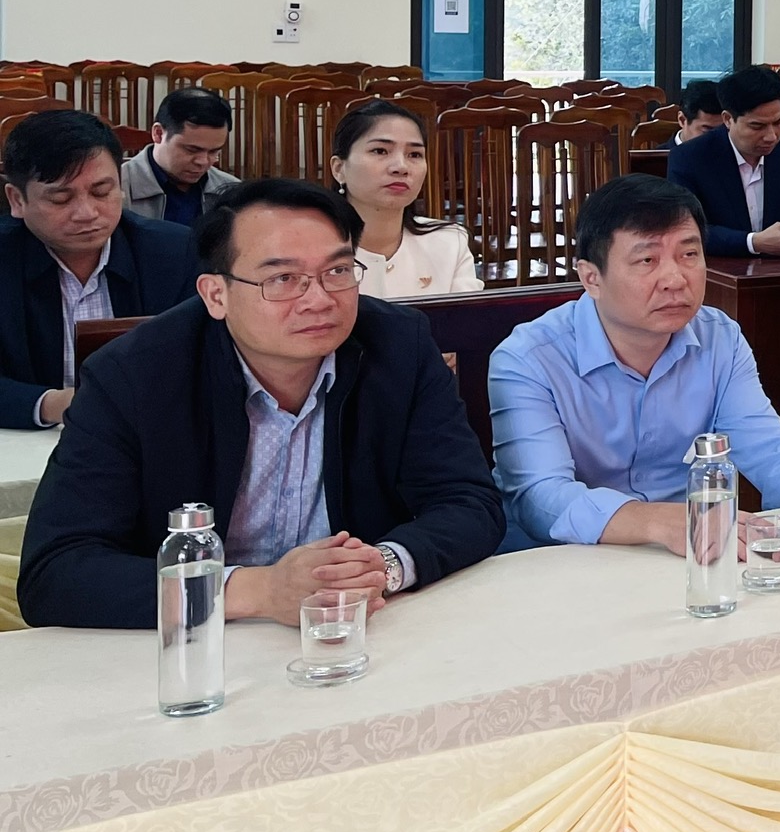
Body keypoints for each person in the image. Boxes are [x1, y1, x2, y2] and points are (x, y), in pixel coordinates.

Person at [17, 178, 505, 629]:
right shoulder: (132, 375)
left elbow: (469, 502)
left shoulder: (398, 346)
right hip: (194, 642)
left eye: (338, 270)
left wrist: (381, 566)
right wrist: (258, 591)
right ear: (216, 295)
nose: (319, 299)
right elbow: (56, 571)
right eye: (284, 279)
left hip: (355, 628)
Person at [488, 174, 780, 550]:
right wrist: (657, 521)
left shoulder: (719, 338)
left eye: (689, 254)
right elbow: (539, 496)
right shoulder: (528, 360)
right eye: (647, 260)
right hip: (560, 561)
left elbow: (763, 441)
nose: (675, 279)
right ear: (591, 278)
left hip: (687, 552)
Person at [0, 110, 195, 430]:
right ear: (17, 200)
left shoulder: (174, 253)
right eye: (61, 199)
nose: (87, 213)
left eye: (102, 192)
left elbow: (207, 360)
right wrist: (52, 404)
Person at [666, 65, 780, 257]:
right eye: (757, 126)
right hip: (717, 268)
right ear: (728, 119)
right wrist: (753, 242)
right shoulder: (690, 157)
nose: (771, 136)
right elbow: (687, 230)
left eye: (778, 122)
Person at [332, 99, 480, 298]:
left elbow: (467, 317)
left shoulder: (449, 243)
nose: (401, 167)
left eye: (414, 154)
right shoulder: (307, 248)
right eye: (380, 151)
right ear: (339, 169)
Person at [121, 87, 239, 227]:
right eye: (191, 150)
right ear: (158, 133)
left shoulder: (231, 191)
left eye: (213, 152)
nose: (203, 162)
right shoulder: (116, 187)